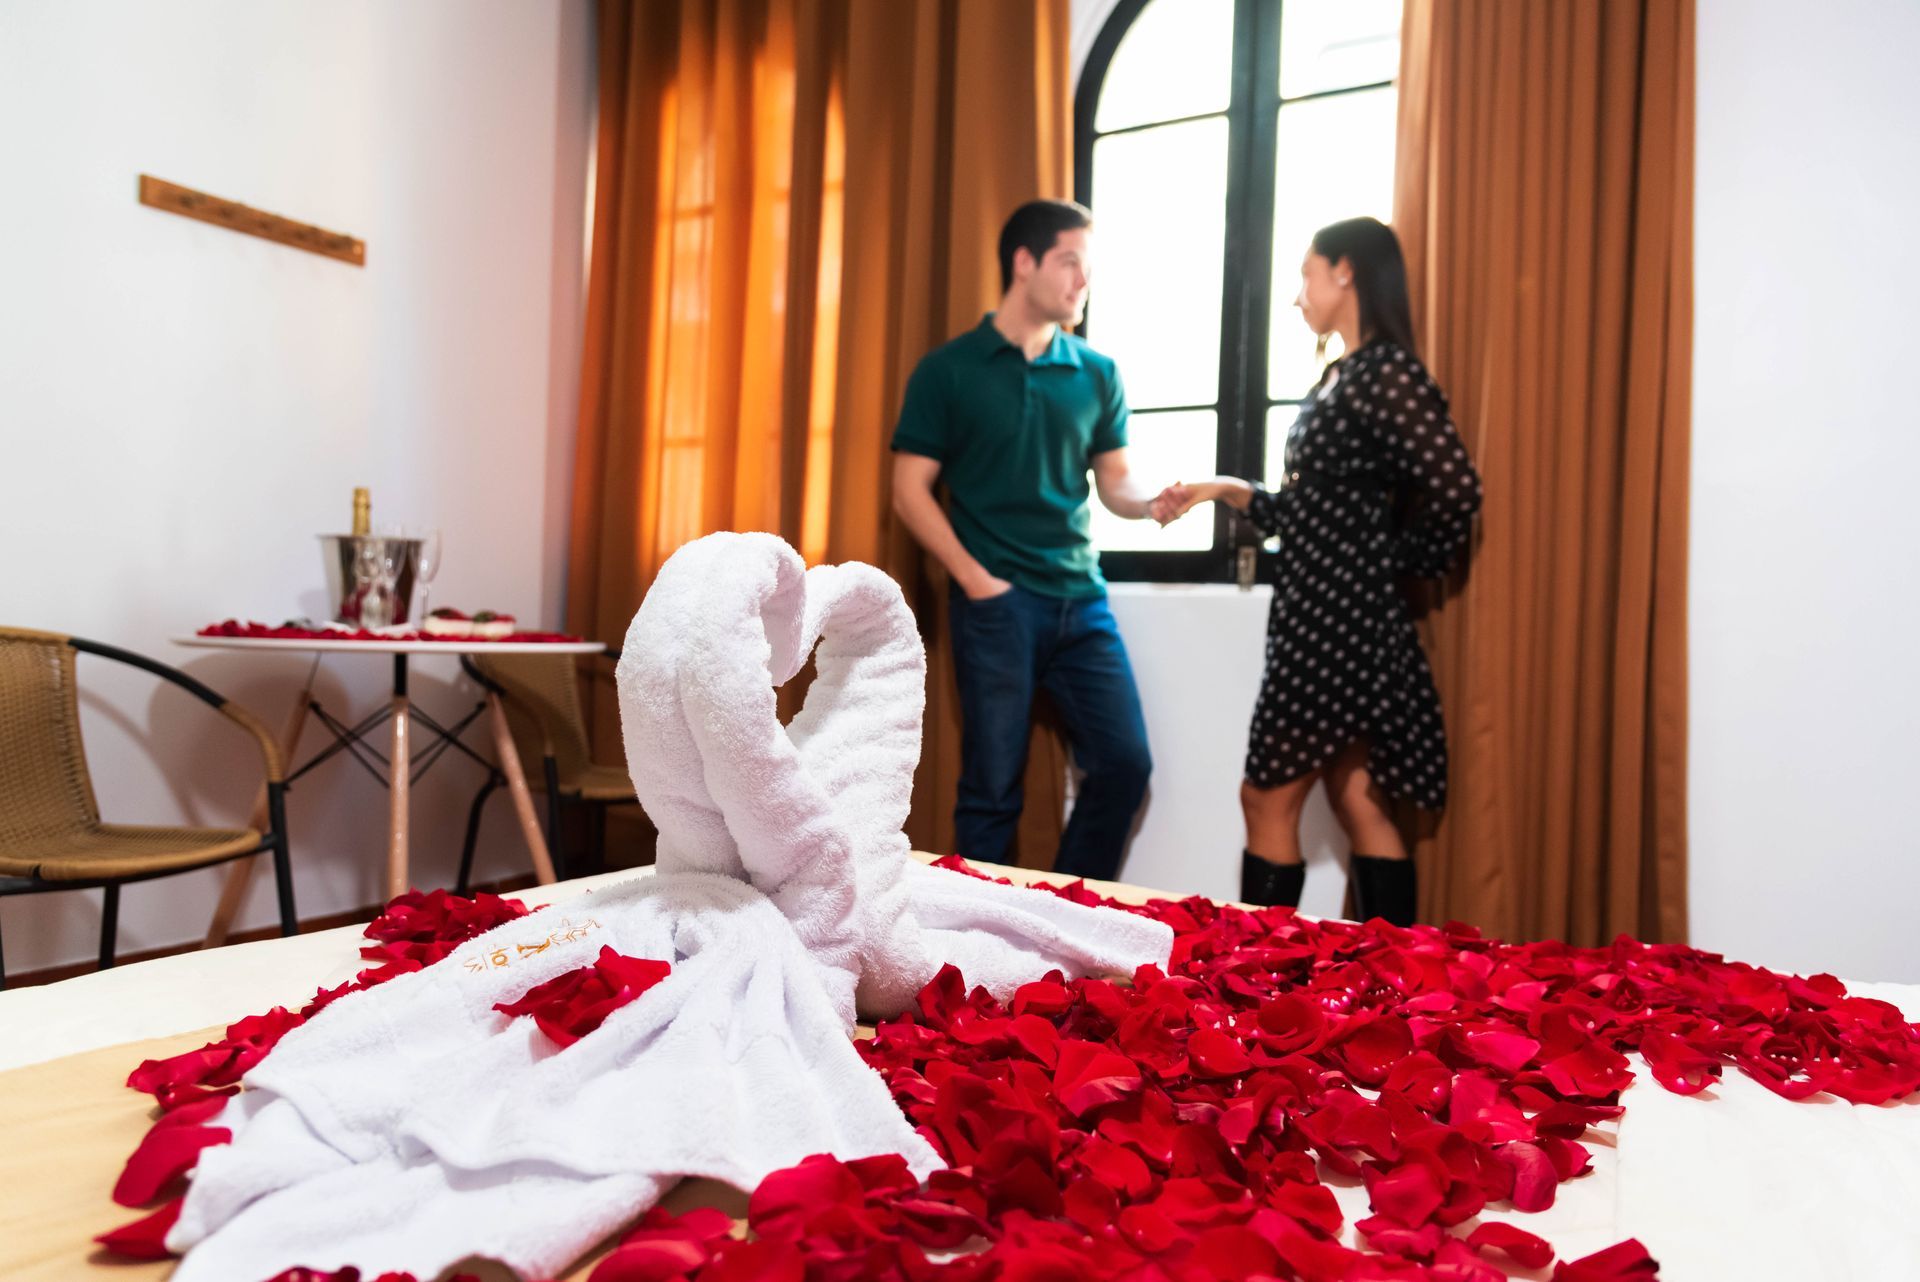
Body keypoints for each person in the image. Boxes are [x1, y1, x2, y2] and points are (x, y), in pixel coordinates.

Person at [1162, 216, 1482, 924]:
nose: (1299, 294)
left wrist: (1393, 562)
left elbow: (1456, 487)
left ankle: (1263, 978)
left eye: (1307, 274)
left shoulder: (1386, 373)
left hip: (1339, 622)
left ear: (1346, 272)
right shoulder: (1343, 376)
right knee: (1358, 795)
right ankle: (1387, 981)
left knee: (1267, 797)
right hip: (1321, 615)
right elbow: (1306, 512)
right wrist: (1218, 488)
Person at [890, 198, 1182, 882]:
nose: (1083, 280)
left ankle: (1065, 912)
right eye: (1070, 262)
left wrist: (1150, 504)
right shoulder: (950, 370)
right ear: (1024, 264)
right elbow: (909, 491)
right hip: (996, 603)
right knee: (992, 790)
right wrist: (974, 579)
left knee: (1124, 764)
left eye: (1087, 266)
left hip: (1082, 600)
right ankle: (974, 942)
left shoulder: (1097, 373)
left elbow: (1116, 484)